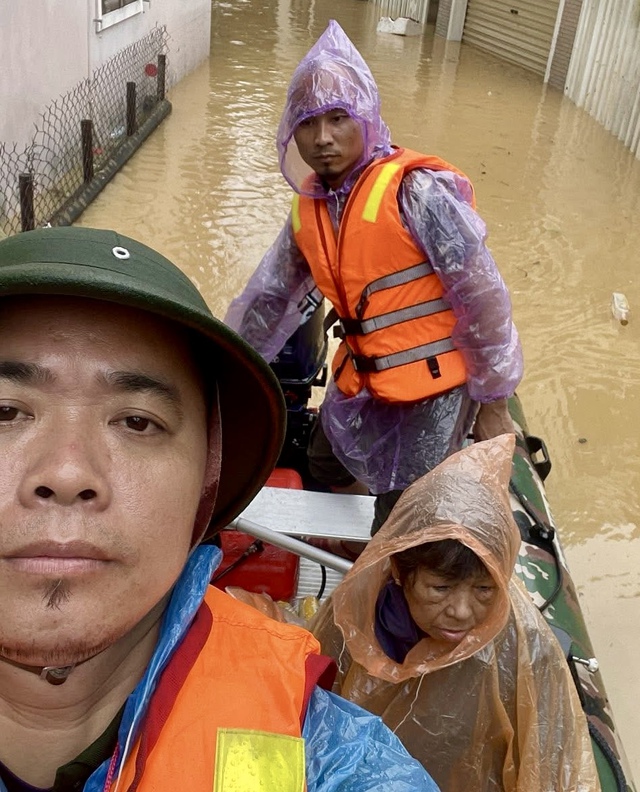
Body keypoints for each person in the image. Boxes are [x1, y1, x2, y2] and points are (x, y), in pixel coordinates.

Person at [0, 226, 440, 792]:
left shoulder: (333, 764)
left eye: (137, 421)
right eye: (5, 412)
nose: (65, 474)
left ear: (205, 487)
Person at [224, 20, 524, 533]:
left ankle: (387, 562)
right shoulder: (310, 210)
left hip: (436, 390)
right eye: (308, 122)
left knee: (406, 513)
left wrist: (493, 403)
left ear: (366, 117)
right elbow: (268, 300)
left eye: (339, 118)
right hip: (362, 377)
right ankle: (357, 543)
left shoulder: (417, 193)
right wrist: (218, 372)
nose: (322, 138)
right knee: (322, 462)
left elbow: (484, 297)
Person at [311, 434, 600, 791]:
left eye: (484, 589)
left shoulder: (528, 647)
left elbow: (555, 767)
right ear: (399, 572)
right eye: (441, 589)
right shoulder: (353, 615)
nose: (462, 612)